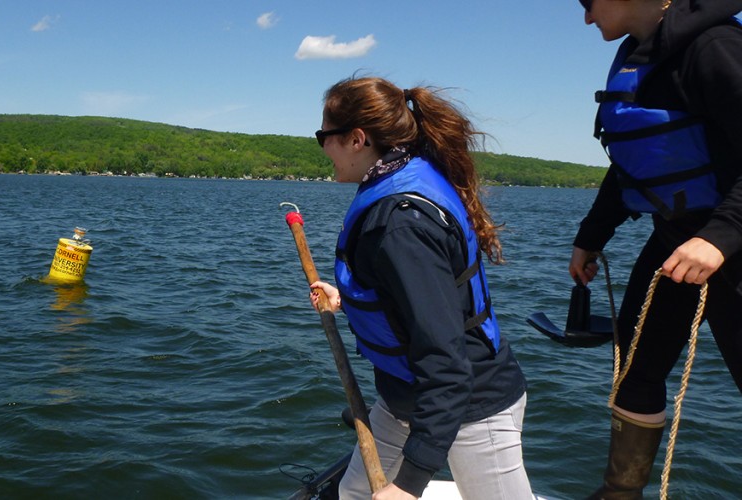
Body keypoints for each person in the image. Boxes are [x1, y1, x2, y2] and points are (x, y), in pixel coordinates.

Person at [308, 76, 532, 500]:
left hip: (469, 405)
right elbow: (413, 298)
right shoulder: (404, 177)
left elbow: (446, 364)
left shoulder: (399, 224)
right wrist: (349, 299)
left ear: (357, 139)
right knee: (353, 494)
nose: (322, 148)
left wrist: (409, 487)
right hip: (402, 398)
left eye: (324, 136)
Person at [568, 0, 742, 498]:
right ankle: (620, 492)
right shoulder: (641, 57)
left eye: (588, 2)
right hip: (674, 242)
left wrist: (718, 238)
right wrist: (591, 236)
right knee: (636, 371)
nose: (585, 17)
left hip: (730, 244)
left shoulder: (715, 48)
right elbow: (638, 154)